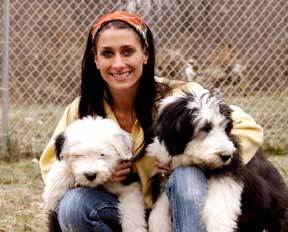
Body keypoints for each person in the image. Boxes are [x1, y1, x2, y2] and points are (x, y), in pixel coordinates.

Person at [39, 10, 263, 232]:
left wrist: (187, 156)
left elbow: (249, 130)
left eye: (127, 51)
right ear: (96, 60)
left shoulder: (181, 96)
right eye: (107, 54)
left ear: (145, 54)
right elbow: (52, 164)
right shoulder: (82, 109)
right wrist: (93, 175)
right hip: (118, 209)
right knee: (73, 205)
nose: (118, 64)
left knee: (188, 176)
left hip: (178, 208)